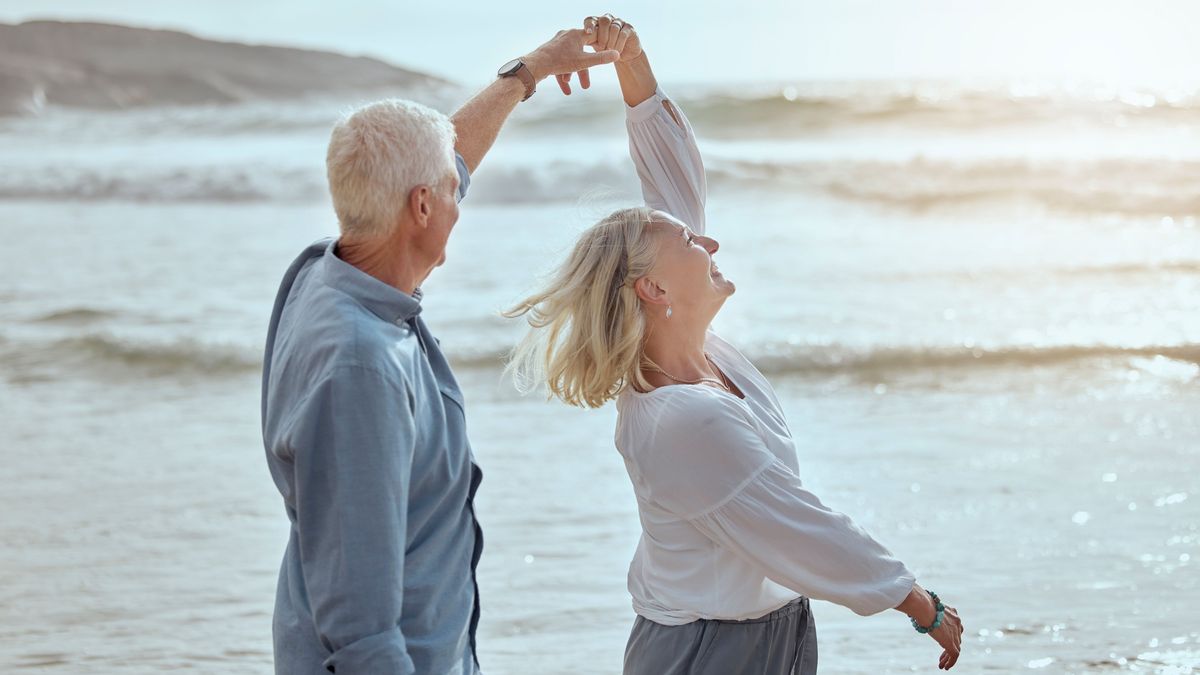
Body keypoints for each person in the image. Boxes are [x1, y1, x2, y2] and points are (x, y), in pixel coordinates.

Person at [505, 15, 965, 674]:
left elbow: (674, 183)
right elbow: (802, 526)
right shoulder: (684, 419)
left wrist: (631, 62)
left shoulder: (696, 349)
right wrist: (920, 603)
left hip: (769, 628)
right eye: (694, 244)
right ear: (655, 289)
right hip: (707, 648)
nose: (710, 242)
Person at [259, 27, 620, 675]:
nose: (461, 197)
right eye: (449, 192)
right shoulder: (359, 367)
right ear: (421, 206)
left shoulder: (325, 267)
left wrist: (532, 70)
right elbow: (360, 628)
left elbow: (450, 159)